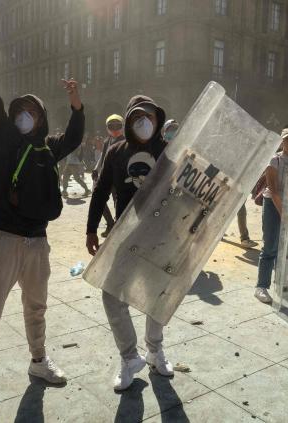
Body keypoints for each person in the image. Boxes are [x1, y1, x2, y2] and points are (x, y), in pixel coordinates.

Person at [0, 7, 85, 398]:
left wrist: (77, 105)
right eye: (20, 112)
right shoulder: (5, 139)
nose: (24, 117)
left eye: (32, 113)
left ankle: (38, 362)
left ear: (42, 118)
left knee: (37, 307)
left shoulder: (47, 147)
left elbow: (74, 138)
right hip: (5, 239)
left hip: (38, 242)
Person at [86, 95, 174, 391]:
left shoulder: (169, 151)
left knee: (157, 296)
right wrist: (91, 229)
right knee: (112, 294)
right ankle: (128, 358)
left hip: (160, 236)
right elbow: (99, 192)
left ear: (158, 119)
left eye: (149, 116)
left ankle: (155, 350)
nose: (144, 122)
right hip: (125, 234)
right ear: (128, 122)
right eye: (138, 117)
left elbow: (184, 191)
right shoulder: (116, 151)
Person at [255, 126, 288, 304]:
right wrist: (284, 214)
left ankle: (282, 284)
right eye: (287, 139)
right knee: (270, 246)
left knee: (286, 248)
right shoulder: (275, 160)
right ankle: (261, 287)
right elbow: (273, 189)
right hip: (273, 204)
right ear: (282, 141)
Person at [92, 114, 124, 237]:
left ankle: (118, 226)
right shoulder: (107, 141)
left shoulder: (125, 141)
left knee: (118, 202)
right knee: (99, 200)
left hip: (118, 178)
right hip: (106, 176)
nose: (115, 128)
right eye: (112, 125)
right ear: (107, 127)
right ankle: (110, 223)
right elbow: (103, 156)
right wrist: (96, 169)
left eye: (118, 125)